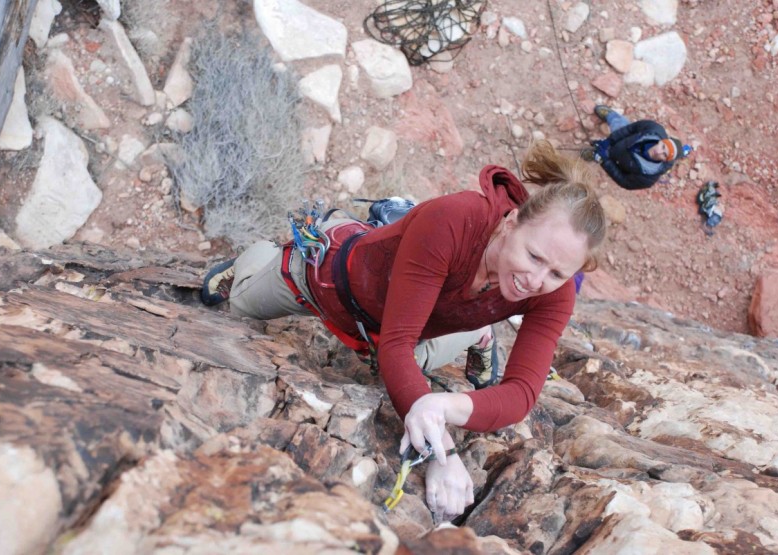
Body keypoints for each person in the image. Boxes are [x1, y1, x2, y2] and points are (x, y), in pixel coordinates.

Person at [201, 140, 607, 521]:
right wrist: (441, 453)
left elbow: (520, 395)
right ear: (511, 222)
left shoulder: (552, 295)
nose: (536, 281)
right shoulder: (455, 219)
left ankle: (478, 331)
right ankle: (262, 257)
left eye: (557, 272)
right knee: (241, 304)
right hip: (329, 283)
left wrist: (441, 407)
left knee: (415, 365)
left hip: (413, 323)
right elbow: (396, 347)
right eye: (534, 256)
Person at [584, 105, 692, 190]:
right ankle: (611, 116)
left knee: (602, 154)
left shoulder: (648, 179)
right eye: (663, 146)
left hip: (619, 161)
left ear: (665, 160)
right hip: (625, 138)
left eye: (664, 154)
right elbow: (631, 129)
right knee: (620, 124)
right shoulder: (654, 129)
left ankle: (596, 155)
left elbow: (624, 181)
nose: (658, 151)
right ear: (661, 141)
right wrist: (609, 141)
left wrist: (605, 161)